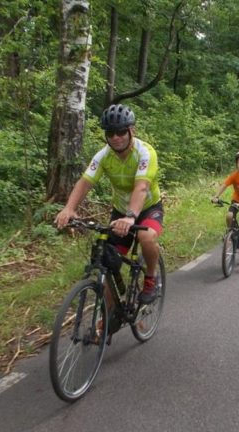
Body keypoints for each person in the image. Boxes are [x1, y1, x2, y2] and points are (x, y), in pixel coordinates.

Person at [54, 104, 163, 304]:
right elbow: (85, 182)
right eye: (110, 133)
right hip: (120, 211)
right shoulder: (103, 155)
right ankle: (107, 321)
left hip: (148, 208)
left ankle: (150, 278)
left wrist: (131, 217)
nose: (116, 137)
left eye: (121, 131)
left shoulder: (146, 153)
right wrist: (69, 208)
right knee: (105, 262)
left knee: (146, 237)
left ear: (132, 131)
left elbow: (141, 186)